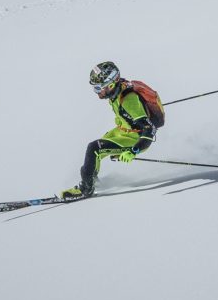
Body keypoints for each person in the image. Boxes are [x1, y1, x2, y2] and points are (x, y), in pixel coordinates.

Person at [61, 61, 158, 200]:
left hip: (135, 138)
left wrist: (133, 151)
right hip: (122, 130)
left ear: (111, 84)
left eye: (99, 88)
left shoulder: (129, 100)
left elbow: (149, 129)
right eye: (95, 88)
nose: (98, 92)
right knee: (97, 151)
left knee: (94, 148)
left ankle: (86, 189)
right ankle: (92, 180)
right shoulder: (117, 90)